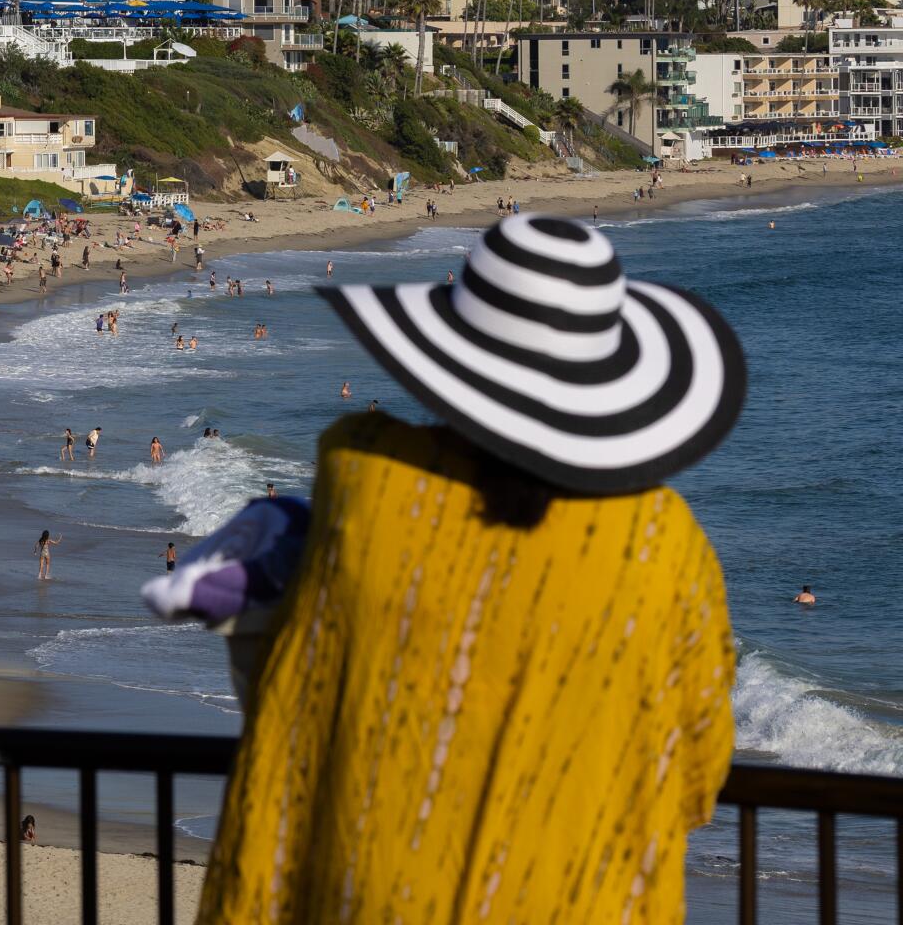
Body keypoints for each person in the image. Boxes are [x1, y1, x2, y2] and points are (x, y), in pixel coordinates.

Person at [194, 214, 743, 920]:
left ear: (452, 355)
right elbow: (695, 771)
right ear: (608, 380)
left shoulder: (365, 472)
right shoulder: (661, 537)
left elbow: (312, 674)